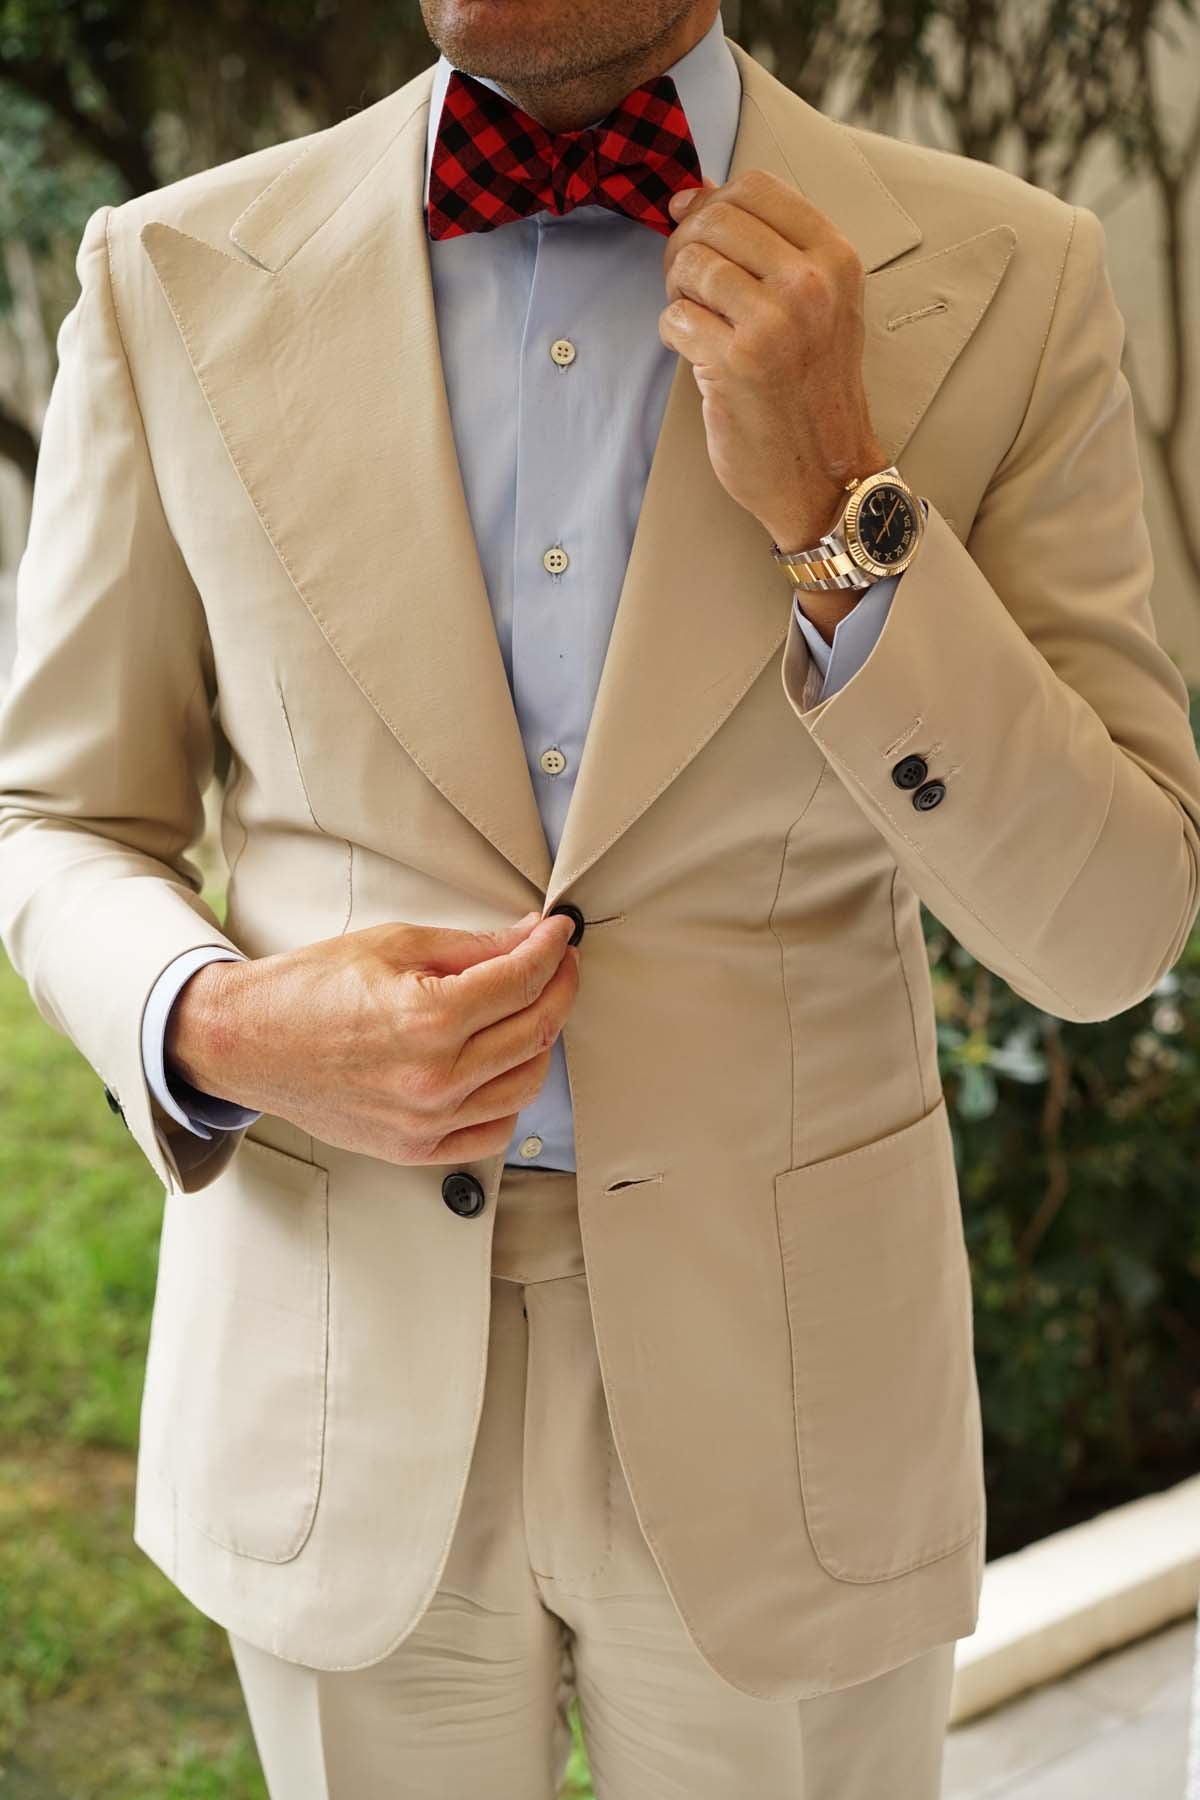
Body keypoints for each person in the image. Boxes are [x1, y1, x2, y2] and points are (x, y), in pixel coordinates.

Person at [2, 0, 1199, 1793]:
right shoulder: (170, 272)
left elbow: (1110, 936)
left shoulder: (1009, 277)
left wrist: (842, 511)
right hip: (335, 1385)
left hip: (797, 1410)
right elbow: (52, 819)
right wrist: (223, 1025)